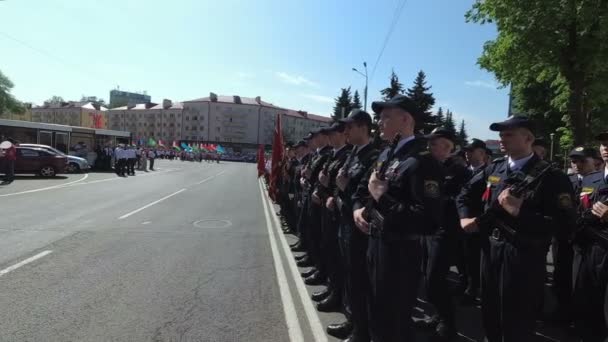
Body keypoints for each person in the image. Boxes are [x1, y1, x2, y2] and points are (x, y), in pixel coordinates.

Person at [457, 116, 576, 342]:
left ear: (528, 138)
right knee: (490, 312)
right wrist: (465, 218)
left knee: (517, 319)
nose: (502, 139)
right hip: (490, 250)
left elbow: (565, 224)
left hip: (524, 256)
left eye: (509, 134)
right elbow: (465, 194)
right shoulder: (495, 168)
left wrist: (521, 213)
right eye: (501, 134)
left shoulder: (552, 177)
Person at [352, 95, 444, 342]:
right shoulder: (387, 155)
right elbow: (366, 189)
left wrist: (383, 198)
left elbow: (427, 220)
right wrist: (360, 209)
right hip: (376, 243)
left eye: (386, 117)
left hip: (400, 252)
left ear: (405, 119)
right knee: (376, 313)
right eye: (380, 118)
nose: (379, 123)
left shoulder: (423, 162)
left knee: (394, 321)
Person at [417, 127, 469, 339]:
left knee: (434, 280)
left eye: (434, 143)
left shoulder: (459, 172)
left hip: (446, 232)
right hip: (427, 231)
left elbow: (458, 201)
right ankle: (438, 316)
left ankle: (449, 326)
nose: (429, 146)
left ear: (448, 147)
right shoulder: (427, 167)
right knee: (428, 276)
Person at [572, 133, 608, 342]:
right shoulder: (590, 179)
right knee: (586, 302)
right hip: (587, 249)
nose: (606, 147)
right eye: (603, 143)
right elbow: (577, 210)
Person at [460, 138, 489, 305]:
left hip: (480, 222)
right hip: (462, 220)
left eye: (471, 151)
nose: (467, 154)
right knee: (464, 255)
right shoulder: (462, 171)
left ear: (482, 153)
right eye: (466, 151)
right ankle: (466, 283)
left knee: (477, 258)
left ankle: (474, 288)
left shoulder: (490, 172)